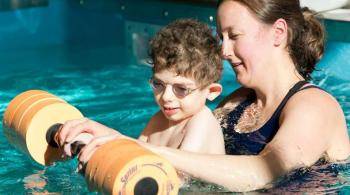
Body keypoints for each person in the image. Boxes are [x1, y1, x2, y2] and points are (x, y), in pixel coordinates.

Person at [58, 0, 350, 192]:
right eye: (221, 37)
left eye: (234, 36)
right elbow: (188, 155)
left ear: (278, 33)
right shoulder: (236, 103)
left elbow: (264, 172)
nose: (223, 51)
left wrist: (141, 149)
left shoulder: (314, 107)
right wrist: (106, 138)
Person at [62, 19, 225, 157]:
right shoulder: (159, 120)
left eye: (181, 89)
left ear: (211, 92)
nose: (166, 97)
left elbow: (180, 177)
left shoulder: (202, 122)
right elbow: (133, 153)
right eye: (158, 84)